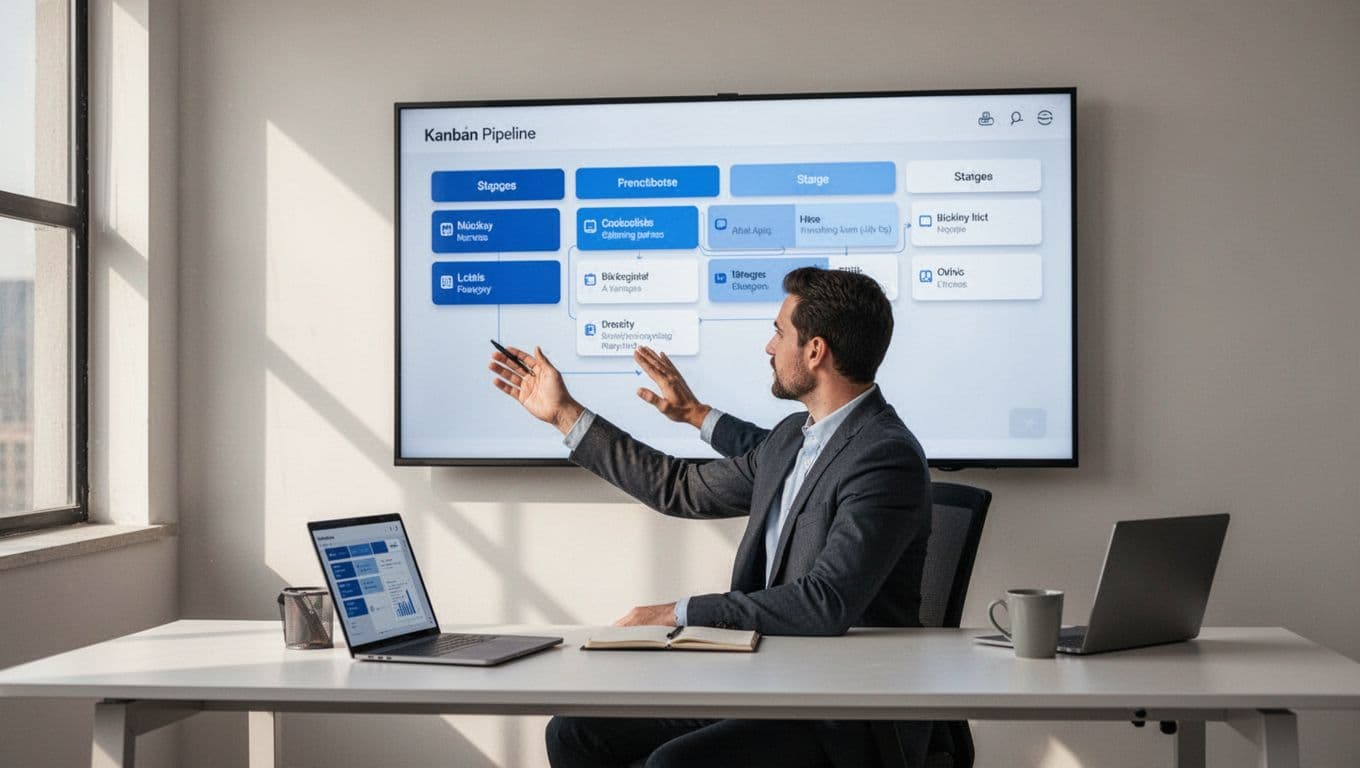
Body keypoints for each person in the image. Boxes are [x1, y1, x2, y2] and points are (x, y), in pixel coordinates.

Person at [488, 267, 932, 768]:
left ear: (815, 351)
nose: (769, 347)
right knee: (575, 733)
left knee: (676, 763)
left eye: (779, 332)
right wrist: (564, 414)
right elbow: (679, 488)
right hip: (765, 680)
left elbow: (825, 602)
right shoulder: (793, 437)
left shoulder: (884, 456)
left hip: (838, 712)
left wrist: (679, 613)